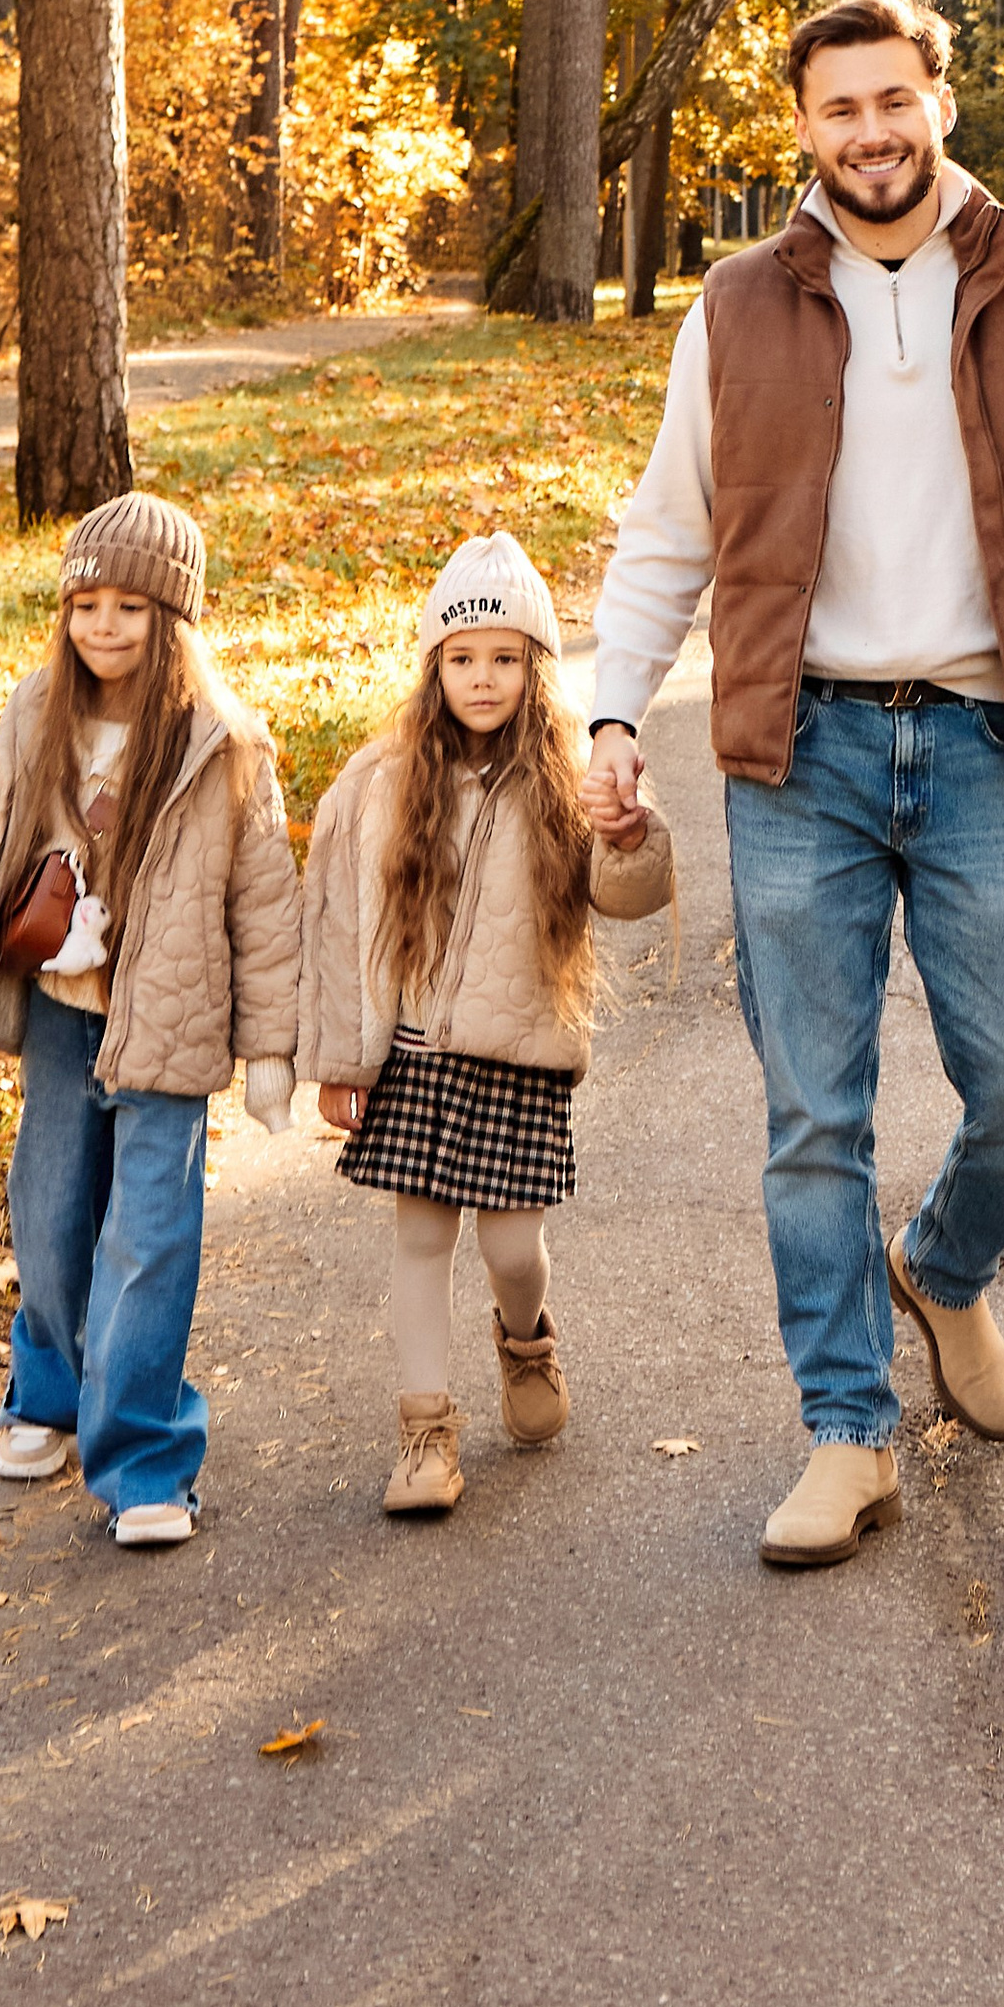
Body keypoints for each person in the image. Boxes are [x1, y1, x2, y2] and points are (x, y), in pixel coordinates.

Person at [583, 0, 1004, 1569]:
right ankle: (847, 1431)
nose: (870, 133)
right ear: (804, 129)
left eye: (892, 99)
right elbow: (667, 532)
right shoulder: (739, 307)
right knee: (812, 1114)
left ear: (941, 99)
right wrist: (607, 715)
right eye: (837, 109)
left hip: (994, 735)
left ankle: (946, 1262)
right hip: (808, 747)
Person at [0, 493, 302, 1548]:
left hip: (172, 1023)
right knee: (47, 1219)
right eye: (85, 602)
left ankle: (143, 1457)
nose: (103, 625)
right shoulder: (33, 714)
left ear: (171, 618)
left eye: (129, 607)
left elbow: (264, 903)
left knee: (148, 1237)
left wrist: (269, 1048)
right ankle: (45, 1395)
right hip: (59, 1015)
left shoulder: (223, 742)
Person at [298, 534, 674, 1516]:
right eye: (462, 659)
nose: (482, 678)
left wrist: (632, 833)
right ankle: (424, 1437)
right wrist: (342, 1059)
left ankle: (526, 1339)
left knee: (510, 1250)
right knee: (421, 1242)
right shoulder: (382, 783)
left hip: (519, 1053)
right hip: (415, 1056)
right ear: (433, 667)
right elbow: (343, 926)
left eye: (505, 659)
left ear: (535, 671)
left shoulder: (563, 784)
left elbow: (625, 895)